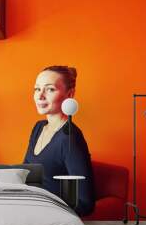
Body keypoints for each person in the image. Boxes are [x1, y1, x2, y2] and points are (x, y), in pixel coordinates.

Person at [23, 66, 95, 216]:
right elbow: (24, 175)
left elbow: (84, 201)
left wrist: (44, 213)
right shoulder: (38, 128)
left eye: (50, 89)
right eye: (37, 89)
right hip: (28, 207)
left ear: (70, 94)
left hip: (49, 217)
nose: (40, 96)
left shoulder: (70, 138)